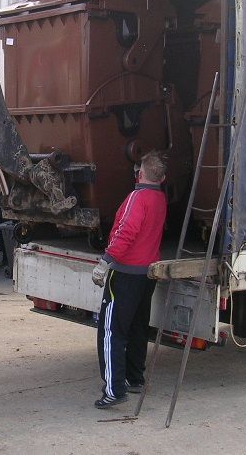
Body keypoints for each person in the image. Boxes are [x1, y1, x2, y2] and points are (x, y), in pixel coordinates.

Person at [92, 150, 167, 409]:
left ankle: (114, 390)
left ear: (140, 174)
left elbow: (126, 231)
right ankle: (135, 378)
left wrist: (105, 262)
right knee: (138, 327)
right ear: (162, 178)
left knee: (111, 331)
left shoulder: (137, 197)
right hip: (147, 273)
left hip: (125, 273)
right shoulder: (160, 198)